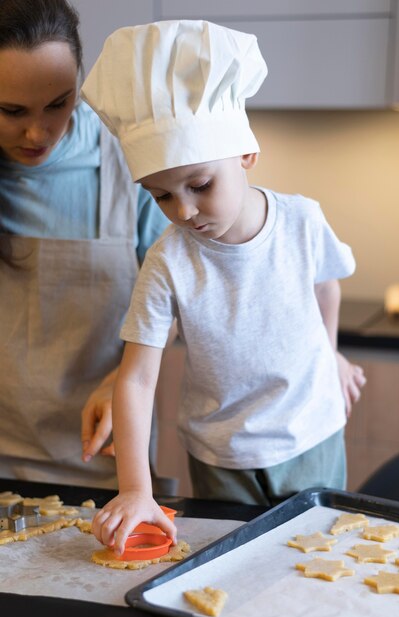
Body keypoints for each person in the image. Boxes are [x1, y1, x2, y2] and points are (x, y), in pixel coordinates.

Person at [81, 19, 367, 552]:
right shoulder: (168, 261)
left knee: (318, 556)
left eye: (200, 185)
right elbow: (137, 379)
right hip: (219, 454)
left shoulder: (303, 221)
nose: (184, 211)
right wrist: (136, 488)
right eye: (161, 196)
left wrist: (330, 354)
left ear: (246, 153)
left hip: (311, 434)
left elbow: (325, 288)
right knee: (236, 563)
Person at [0, 0, 170, 488]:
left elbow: (172, 298)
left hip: (102, 458)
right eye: (12, 111)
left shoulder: (129, 158)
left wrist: (126, 377)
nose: (37, 133)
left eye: (59, 103)